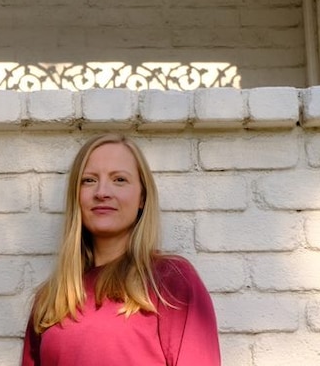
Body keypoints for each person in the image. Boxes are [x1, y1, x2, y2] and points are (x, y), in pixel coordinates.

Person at [22, 133, 221, 366]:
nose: (102, 192)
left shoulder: (169, 282)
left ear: (142, 198)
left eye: (119, 180)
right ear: (76, 197)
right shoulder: (51, 298)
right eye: (89, 180)